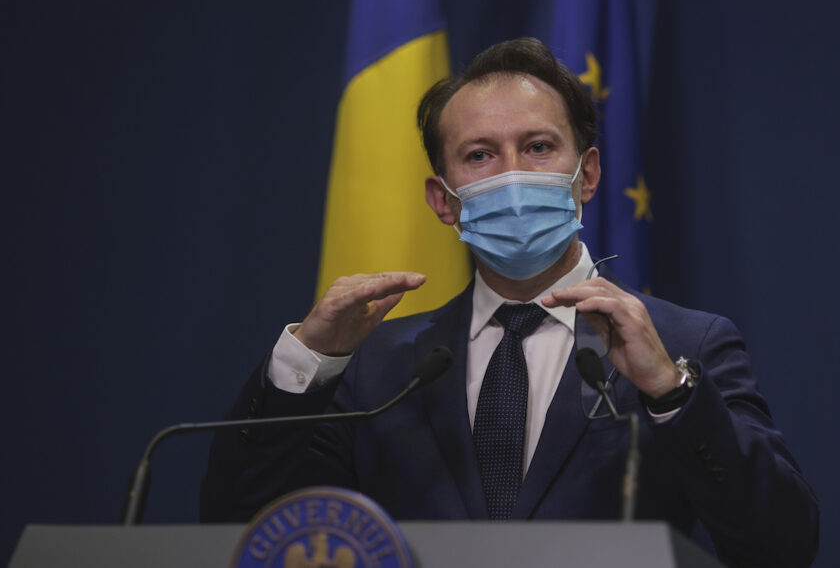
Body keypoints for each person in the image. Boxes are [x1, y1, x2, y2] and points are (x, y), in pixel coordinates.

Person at [201, 38, 818, 566]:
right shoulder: (377, 366)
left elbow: (782, 546)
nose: (513, 175)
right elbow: (237, 525)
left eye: (539, 147)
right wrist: (303, 363)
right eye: (480, 155)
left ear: (587, 175)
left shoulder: (683, 346)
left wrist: (671, 393)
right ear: (443, 200)